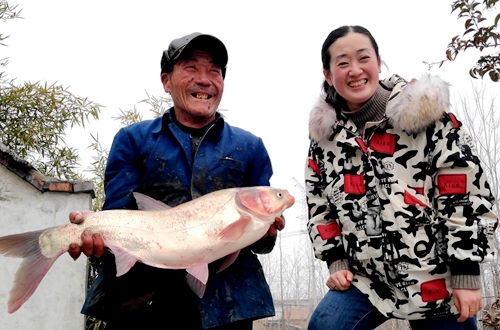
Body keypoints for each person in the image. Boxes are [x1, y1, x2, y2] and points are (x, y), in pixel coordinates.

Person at [68, 32, 285, 330]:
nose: (204, 79)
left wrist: (266, 232)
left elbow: (263, 244)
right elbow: (115, 215)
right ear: (166, 81)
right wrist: (98, 240)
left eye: (214, 71)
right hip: (143, 302)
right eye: (191, 68)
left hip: (228, 305)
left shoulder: (250, 147)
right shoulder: (133, 140)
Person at [304, 25, 498, 330]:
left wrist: (466, 272)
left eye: (363, 58)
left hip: (434, 275)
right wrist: (336, 260)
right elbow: (319, 204)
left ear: (379, 64)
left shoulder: (426, 117)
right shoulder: (325, 139)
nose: (354, 70)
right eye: (342, 63)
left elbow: (465, 194)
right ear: (328, 76)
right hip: (367, 280)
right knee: (325, 325)